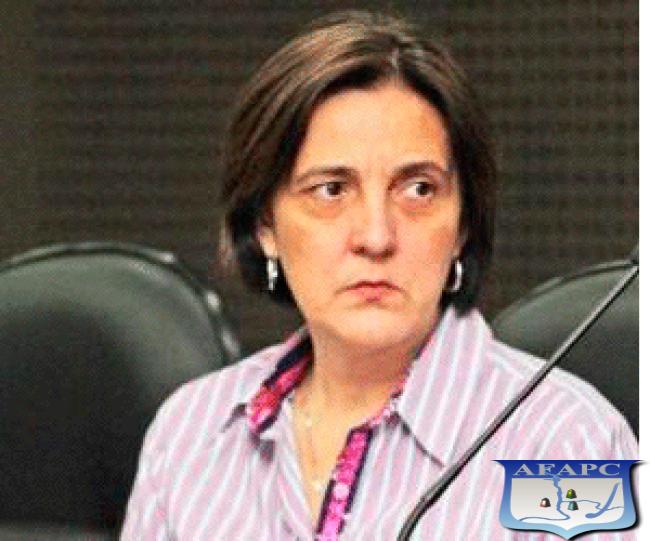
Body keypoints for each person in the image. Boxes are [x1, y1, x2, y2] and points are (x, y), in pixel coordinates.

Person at [121, 11, 637, 540]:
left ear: (462, 225)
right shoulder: (192, 432)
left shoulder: (565, 445)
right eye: (331, 190)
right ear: (265, 225)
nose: (376, 236)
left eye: (418, 189)